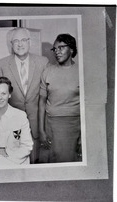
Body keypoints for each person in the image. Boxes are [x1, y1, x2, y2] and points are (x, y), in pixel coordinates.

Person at [0, 27, 49, 163]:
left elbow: (48, 94)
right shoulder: (1, 64)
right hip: (11, 126)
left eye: (23, 40)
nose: (20, 44)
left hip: (36, 123)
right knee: (14, 162)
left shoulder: (43, 62)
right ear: (11, 44)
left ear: (29, 42)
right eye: (15, 41)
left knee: (36, 161)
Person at [38, 33, 81, 163]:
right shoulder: (48, 72)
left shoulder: (81, 72)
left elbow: (88, 106)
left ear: (71, 49)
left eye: (61, 48)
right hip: (51, 125)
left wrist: (83, 135)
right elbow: (41, 103)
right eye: (55, 49)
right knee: (50, 162)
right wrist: (41, 131)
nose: (57, 52)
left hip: (74, 126)